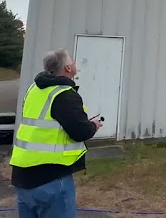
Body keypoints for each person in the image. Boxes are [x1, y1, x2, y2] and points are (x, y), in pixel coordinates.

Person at [10, 49, 103, 218]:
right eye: (73, 61)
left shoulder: (34, 89)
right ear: (68, 68)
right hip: (50, 178)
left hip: (22, 177)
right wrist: (94, 126)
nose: (75, 64)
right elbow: (80, 131)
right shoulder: (64, 94)